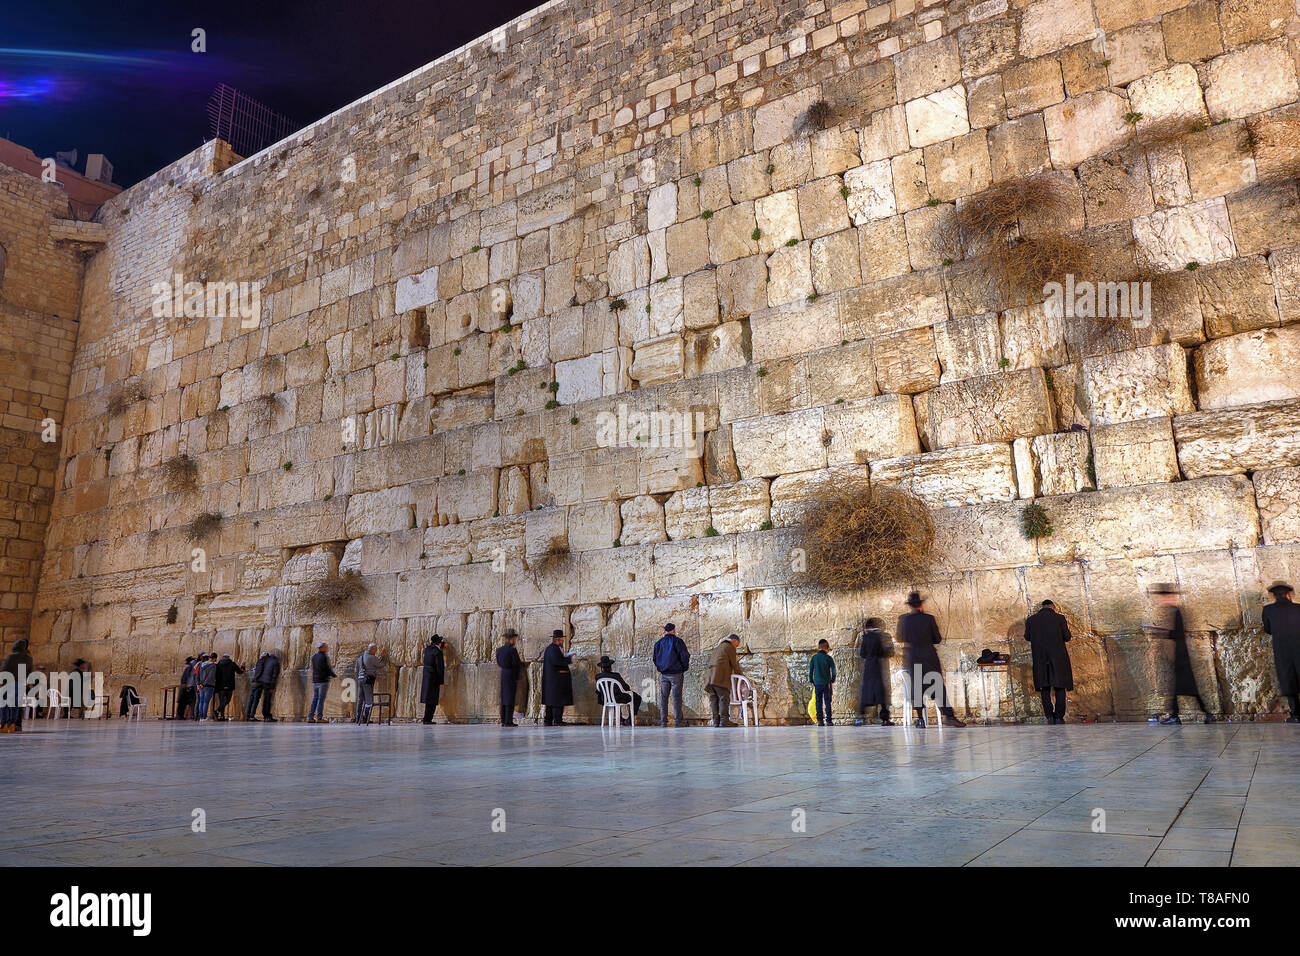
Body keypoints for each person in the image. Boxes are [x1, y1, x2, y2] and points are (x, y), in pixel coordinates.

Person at [898, 592, 965, 728]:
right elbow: (937, 638)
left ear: (910, 606)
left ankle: (921, 720)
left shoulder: (905, 620)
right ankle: (949, 716)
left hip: (914, 656)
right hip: (929, 656)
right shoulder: (929, 619)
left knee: (917, 688)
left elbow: (901, 637)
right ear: (921, 605)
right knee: (938, 686)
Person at [1148, 585, 1213, 725]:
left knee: (1183, 687)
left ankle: (1181, 715)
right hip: (1181, 654)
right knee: (1185, 688)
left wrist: (1160, 632)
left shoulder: (1176, 611)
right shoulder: (1174, 611)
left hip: (1181, 655)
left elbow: (1178, 634)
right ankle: (1203, 713)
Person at [1025, 600, 1073, 724]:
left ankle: (1049, 716)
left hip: (1040, 658)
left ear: (1042, 607)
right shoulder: (1059, 618)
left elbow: (1027, 637)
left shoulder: (1031, 620)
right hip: (1058, 658)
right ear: (1053, 607)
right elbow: (1067, 637)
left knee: (1044, 687)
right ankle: (1059, 716)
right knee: (1060, 686)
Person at [1263, 582, 1300, 723]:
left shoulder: (1268, 610)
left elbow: (1268, 629)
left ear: (1274, 596)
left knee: (1288, 679)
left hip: (1282, 651)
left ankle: (1296, 715)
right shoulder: (1298, 608)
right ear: (1288, 594)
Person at [853, 619, 893, 726]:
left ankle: (861, 716)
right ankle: (885, 718)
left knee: (867, 689)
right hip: (876, 665)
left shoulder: (865, 637)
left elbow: (862, 653)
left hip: (868, 665)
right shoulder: (877, 637)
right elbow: (880, 652)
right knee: (880, 690)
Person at [653, 622, 691, 727]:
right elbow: (684, 656)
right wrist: (683, 668)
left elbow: (655, 659)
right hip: (676, 674)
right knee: (676, 697)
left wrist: (661, 668)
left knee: (664, 698)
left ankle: (663, 721)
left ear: (665, 631)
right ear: (674, 630)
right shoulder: (678, 641)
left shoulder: (659, 643)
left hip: (664, 674)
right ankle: (678, 721)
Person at [706, 633, 742, 728]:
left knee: (714, 699)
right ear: (734, 641)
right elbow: (735, 664)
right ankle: (724, 721)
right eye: (737, 645)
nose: (736, 647)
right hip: (720, 677)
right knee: (723, 698)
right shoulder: (729, 647)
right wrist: (741, 677)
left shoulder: (719, 647)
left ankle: (716, 721)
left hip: (710, 677)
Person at [594, 655, 641, 724]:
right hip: (617, 698)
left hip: (605, 699)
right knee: (637, 698)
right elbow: (626, 688)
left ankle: (621, 719)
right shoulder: (616, 675)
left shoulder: (598, 677)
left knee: (614, 696)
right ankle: (630, 719)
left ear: (601, 668)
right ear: (610, 667)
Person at [0, 638, 33, 732]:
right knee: (15, 705)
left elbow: (5, 670)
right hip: (21, 684)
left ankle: (4, 724)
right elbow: (29, 672)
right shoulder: (29, 658)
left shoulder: (11, 656)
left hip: (9, 683)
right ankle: (12, 724)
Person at [542, 629, 573, 726]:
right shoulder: (553, 649)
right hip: (556, 681)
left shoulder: (551, 649)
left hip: (552, 681)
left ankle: (548, 720)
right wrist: (568, 659)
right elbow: (557, 662)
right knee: (557, 702)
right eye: (561, 639)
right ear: (557, 639)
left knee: (551, 702)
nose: (562, 641)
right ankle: (557, 720)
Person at [354, 643, 387, 724]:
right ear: (372, 649)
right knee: (369, 700)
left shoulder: (360, 658)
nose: (375, 652)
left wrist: (360, 676)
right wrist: (384, 657)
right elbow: (381, 665)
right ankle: (366, 718)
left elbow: (356, 671)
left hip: (360, 679)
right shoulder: (372, 658)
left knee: (360, 699)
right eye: (375, 650)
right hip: (368, 680)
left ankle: (358, 718)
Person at [245, 650, 281, 722]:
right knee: (257, 700)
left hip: (255, 681)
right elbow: (269, 674)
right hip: (260, 682)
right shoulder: (266, 662)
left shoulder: (260, 661)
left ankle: (248, 715)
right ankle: (253, 716)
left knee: (252, 699)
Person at [496, 630, 522, 727]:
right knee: (510, 698)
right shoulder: (512, 650)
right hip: (511, 674)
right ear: (511, 639)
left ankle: (503, 720)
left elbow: (499, 662)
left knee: (504, 697)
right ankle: (508, 721)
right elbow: (516, 663)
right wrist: (518, 675)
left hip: (504, 674)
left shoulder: (500, 650)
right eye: (514, 639)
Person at [808, 639, 837, 726]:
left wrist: (811, 680)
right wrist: (832, 679)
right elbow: (833, 670)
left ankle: (820, 721)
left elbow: (811, 671)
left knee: (818, 702)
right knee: (827, 701)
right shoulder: (828, 658)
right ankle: (829, 721)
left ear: (819, 647)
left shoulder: (814, 658)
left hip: (817, 683)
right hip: (826, 683)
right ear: (826, 648)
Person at [420, 635, 446, 724]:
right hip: (434, 678)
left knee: (428, 699)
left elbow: (435, 648)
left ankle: (426, 718)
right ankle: (428, 719)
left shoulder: (428, 649)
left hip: (427, 676)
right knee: (433, 699)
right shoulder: (438, 652)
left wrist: (442, 646)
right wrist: (441, 681)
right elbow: (440, 667)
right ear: (439, 643)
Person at [307, 642, 334, 723]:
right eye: (325, 647)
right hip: (322, 680)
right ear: (322, 648)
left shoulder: (314, 657)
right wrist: (332, 674)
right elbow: (326, 668)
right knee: (320, 699)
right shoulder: (323, 657)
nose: (326, 648)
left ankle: (310, 717)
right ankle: (319, 717)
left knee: (315, 699)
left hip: (315, 680)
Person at [214, 654, 243, 721]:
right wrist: (243, 667)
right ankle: (218, 711)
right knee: (227, 700)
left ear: (222, 657)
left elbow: (216, 675)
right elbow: (240, 671)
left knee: (222, 701)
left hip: (220, 686)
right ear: (228, 657)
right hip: (230, 685)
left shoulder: (218, 664)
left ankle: (221, 715)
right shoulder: (232, 664)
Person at [196, 653, 218, 720]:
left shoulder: (200, 665)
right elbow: (210, 676)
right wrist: (204, 684)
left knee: (201, 701)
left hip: (201, 686)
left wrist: (198, 684)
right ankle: (204, 717)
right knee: (206, 702)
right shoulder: (213, 665)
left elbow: (197, 675)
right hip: (208, 685)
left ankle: (201, 716)